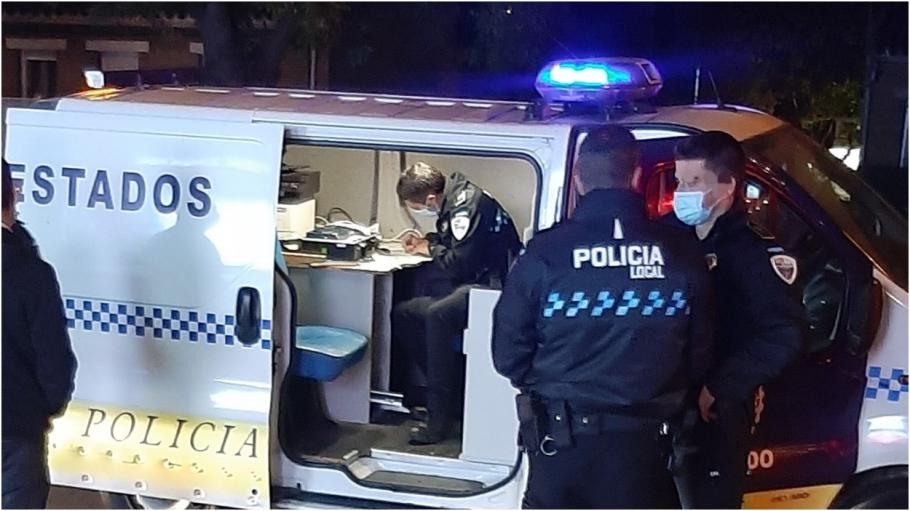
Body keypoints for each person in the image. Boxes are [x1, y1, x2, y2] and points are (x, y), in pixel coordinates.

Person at [492, 126, 714, 509]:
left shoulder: (544, 254)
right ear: (636, 176)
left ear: (578, 179)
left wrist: (557, 383)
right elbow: (700, 354)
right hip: (645, 452)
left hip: (560, 445)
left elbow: (508, 355)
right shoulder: (682, 253)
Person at [671, 131, 804, 508]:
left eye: (694, 181)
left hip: (716, 411)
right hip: (665, 404)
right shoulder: (666, 237)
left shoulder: (753, 252)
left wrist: (721, 386)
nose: (682, 192)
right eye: (679, 181)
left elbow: (783, 335)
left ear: (727, 186)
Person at [393, 162, 521, 444]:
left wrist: (429, 248)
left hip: (496, 288)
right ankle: (451, 398)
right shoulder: (456, 198)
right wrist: (429, 240)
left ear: (430, 199)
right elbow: (457, 244)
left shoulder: (466, 207)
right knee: (404, 314)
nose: (418, 212)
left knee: (438, 315)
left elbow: (458, 264)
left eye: (416, 207)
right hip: (478, 281)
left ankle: (440, 420)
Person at [2, 159, 78, 509]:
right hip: (14, 428)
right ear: (11, 196)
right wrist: (41, 409)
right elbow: (54, 360)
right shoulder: (31, 274)